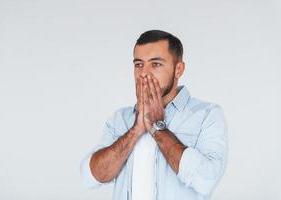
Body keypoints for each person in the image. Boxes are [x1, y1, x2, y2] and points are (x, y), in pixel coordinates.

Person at [80, 30, 228, 200]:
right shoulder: (120, 119)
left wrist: (158, 127)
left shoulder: (207, 115)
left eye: (155, 64)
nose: (144, 73)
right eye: (138, 64)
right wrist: (135, 130)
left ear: (178, 69)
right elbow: (91, 176)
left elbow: (206, 180)